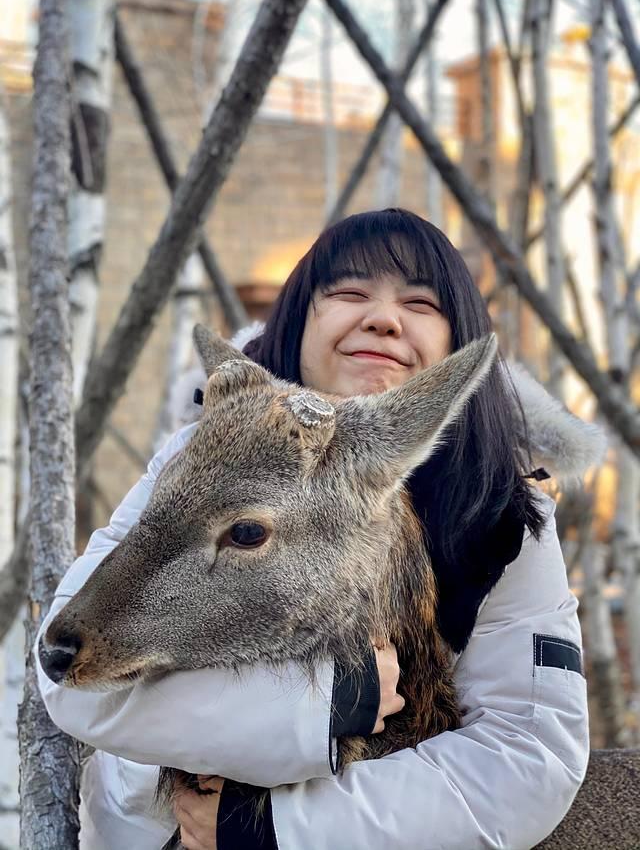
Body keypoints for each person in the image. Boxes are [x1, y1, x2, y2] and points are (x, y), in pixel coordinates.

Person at [37, 208, 589, 850]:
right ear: (298, 322)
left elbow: (526, 756)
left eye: (420, 303)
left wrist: (268, 829)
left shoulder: (505, 518)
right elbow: (67, 672)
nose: (383, 318)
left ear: (453, 346)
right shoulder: (191, 463)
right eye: (350, 293)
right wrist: (334, 705)